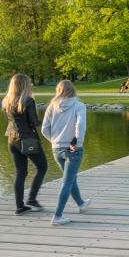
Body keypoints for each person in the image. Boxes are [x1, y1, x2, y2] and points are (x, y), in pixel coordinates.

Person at [41, 79, 91, 226]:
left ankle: (81, 204)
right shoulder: (79, 105)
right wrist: (77, 143)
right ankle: (57, 216)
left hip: (56, 149)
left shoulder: (52, 106)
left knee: (70, 178)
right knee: (67, 181)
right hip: (73, 149)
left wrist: (54, 141)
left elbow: (44, 129)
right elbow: (80, 125)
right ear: (73, 90)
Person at [2, 73, 48, 215]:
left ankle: (19, 206)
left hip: (11, 140)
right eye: (29, 83)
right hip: (28, 140)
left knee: (20, 173)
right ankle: (32, 199)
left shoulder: (7, 101)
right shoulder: (28, 101)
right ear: (24, 85)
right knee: (42, 167)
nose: (31, 85)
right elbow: (34, 123)